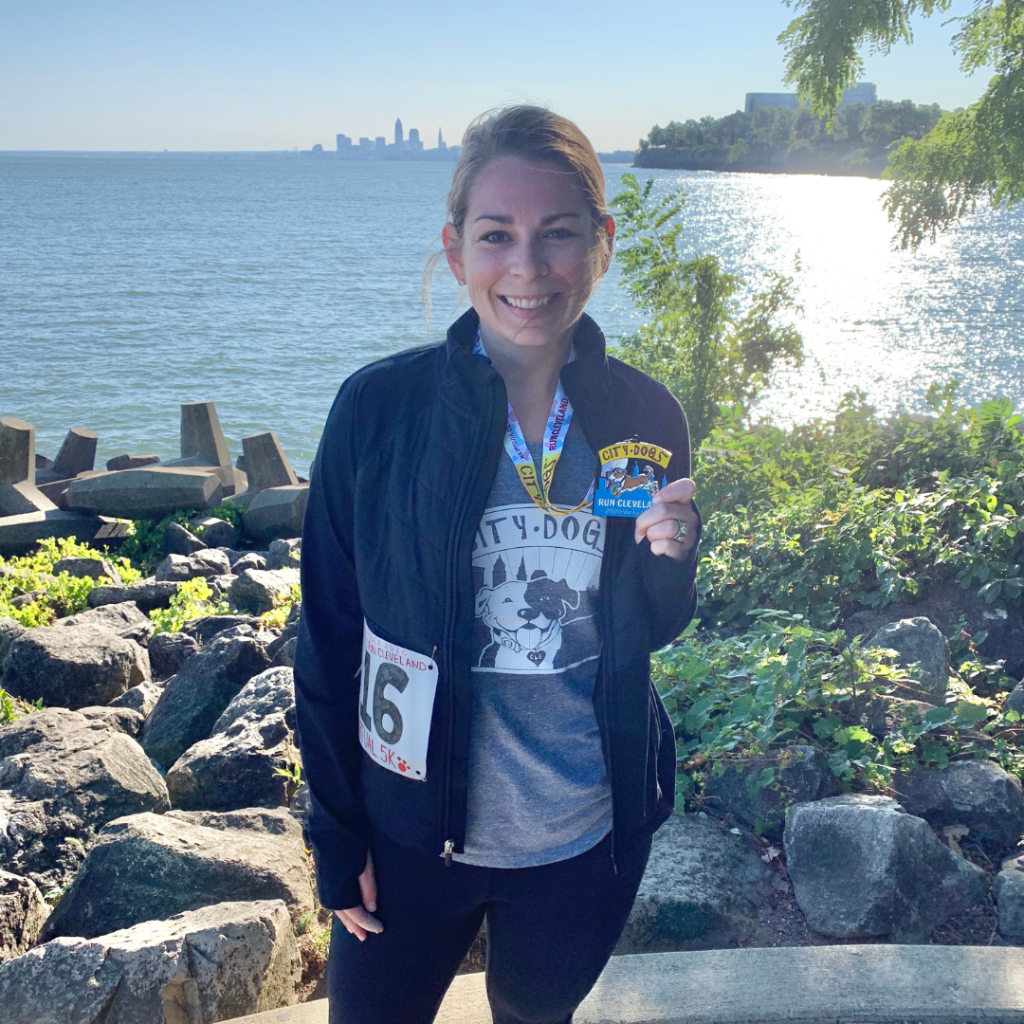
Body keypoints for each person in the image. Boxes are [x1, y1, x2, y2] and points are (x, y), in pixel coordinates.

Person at [294, 105, 702, 1024]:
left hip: (582, 838)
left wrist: (672, 561)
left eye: (558, 233)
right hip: (407, 832)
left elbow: (651, 626)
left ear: (601, 244)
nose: (527, 266)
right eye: (496, 235)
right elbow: (326, 633)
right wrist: (336, 830)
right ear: (455, 250)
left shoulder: (642, 416)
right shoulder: (378, 412)